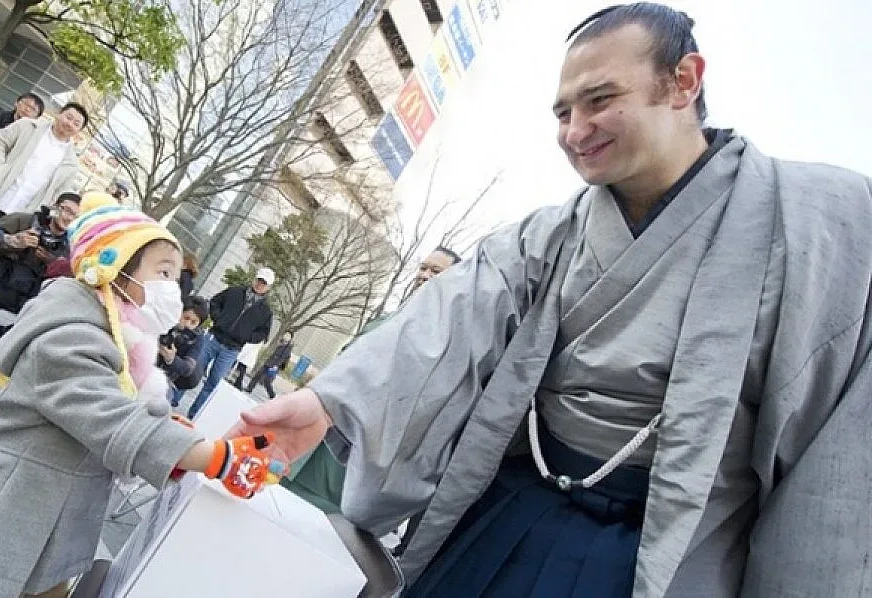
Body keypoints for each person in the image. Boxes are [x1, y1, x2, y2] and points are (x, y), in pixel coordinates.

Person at [228, 4, 872, 597]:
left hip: (679, 549)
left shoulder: (823, 221)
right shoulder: (551, 234)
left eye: (600, 100)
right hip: (514, 509)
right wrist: (329, 402)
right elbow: (451, 317)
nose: (576, 131)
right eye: (563, 113)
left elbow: (842, 454)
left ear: (683, 81)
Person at [0, 193, 280, 598]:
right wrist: (214, 457)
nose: (172, 289)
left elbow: (118, 407)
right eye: (163, 272)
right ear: (113, 265)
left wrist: (170, 432)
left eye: (176, 278)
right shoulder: (67, 332)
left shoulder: (117, 337)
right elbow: (108, 416)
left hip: (46, 534)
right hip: (3, 519)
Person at [281, 247, 461, 515]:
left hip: (345, 460)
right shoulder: (386, 320)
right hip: (307, 440)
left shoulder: (444, 341)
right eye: (423, 268)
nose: (425, 275)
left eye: (435, 271)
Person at [0, 192, 81, 330]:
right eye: (67, 210)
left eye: (76, 216)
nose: (70, 218)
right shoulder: (23, 220)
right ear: (54, 206)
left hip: (23, 307)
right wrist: (14, 242)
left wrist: (53, 264)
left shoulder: (72, 248)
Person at [187, 268, 274, 419]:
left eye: (264, 283)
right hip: (213, 338)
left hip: (232, 349)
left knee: (213, 383)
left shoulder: (266, 311)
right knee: (192, 369)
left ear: (268, 287)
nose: (260, 284)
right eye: (259, 280)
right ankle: (174, 399)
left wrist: (246, 336)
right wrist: (219, 318)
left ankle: (193, 415)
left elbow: (263, 333)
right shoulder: (235, 292)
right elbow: (215, 302)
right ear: (254, 279)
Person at [0, 102, 86, 217]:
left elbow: (59, 195)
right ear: (58, 114)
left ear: (78, 131)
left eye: (76, 124)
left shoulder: (72, 164)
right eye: (68, 117)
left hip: (20, 217)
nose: (69, 124)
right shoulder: (28, 126)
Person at [0, 93, 44, 182]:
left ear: (37, 117)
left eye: (33, 109)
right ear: (16, 103)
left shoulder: (28, 137)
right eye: (26, 104)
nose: (27, 109)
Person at [159, 294, 209, 407]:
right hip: (146, 361)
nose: (187, 324)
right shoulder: (167, 320)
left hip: (168, 376)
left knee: (163, 402)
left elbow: (188, 368)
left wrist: (171, 359)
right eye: (186, 318)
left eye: (193, 322)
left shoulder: (197, 338)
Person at [245, 330, 294, 398]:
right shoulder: (280, 343)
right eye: (285, 334)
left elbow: (283, 358)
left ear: (290, 338)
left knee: (267, 381)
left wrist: (276, 366)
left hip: (275, 366)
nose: (286, 336)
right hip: (268, 362)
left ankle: (272, 395)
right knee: (257, 375)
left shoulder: (288, 348)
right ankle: (249, 389)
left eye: (288, 336)